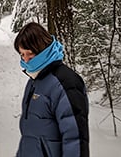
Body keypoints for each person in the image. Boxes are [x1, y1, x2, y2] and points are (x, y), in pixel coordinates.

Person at [14, 22, 89, 157]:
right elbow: (31, 137)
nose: (25, 60)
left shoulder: (66, 82)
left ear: (42, 49)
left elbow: (75, 137)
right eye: (22, 54)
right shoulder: (34, 81)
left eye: (29, 54)